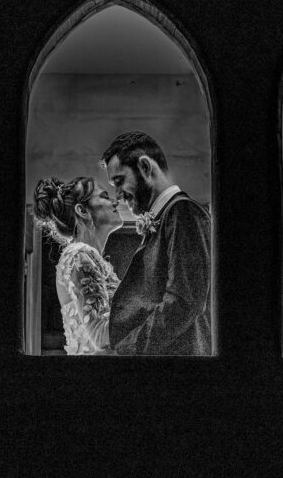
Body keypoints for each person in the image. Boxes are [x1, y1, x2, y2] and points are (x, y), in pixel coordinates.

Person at [100, 131, 212, 355]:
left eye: (119, 181)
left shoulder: (183, 212)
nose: (118, 194)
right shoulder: (168, 216)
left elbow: (183, 303)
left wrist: (123, 352)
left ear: (145, 167)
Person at [33, 176, 124, 354]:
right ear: (82, 210)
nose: (115, 201)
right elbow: (99, 335)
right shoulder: (79, 255)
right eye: (105, 196)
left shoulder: (86, 255)